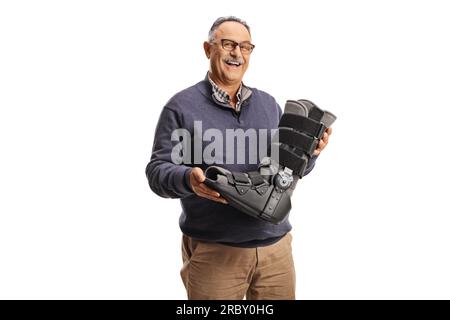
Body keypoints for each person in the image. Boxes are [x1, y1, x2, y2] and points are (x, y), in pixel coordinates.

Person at [145, 16, 332, 300]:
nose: (237, 53)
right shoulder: (181, 107)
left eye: (245, 47)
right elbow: (157, 171)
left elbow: (286, 172)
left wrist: (311, 152)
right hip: (216, 252)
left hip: (276, 251)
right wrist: (188, 179)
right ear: (208, 49)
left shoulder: (268, 104)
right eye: (229, 44)